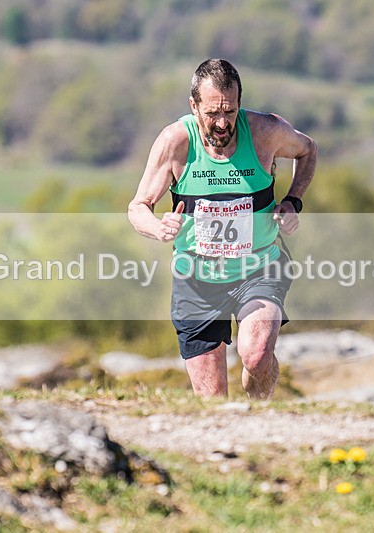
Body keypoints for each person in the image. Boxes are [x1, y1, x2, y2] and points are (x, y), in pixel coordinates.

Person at [128, 58, 317, 399]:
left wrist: (292, 201)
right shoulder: (175, 142)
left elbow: (308, 150)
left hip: (258, 267)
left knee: (257, 356)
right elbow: (138, 207)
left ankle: (259, 412)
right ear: (193, 105)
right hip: (196, 279)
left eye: (229, 112)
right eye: (212, 113)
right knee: (213, 403)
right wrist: (158, 228)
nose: (221, 123)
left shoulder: (265, 132)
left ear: (239, 105)